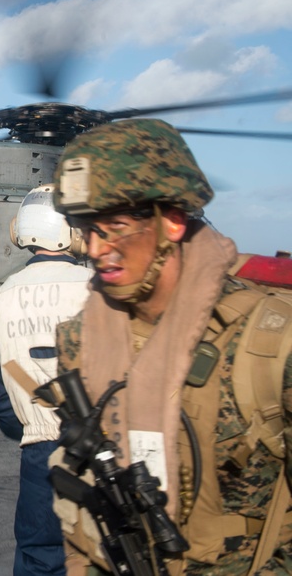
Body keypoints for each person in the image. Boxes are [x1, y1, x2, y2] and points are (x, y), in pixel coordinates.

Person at [49, 118, 292, 574]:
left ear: (173, 223)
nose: (97, 249)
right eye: (87, 230)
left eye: (114, 227)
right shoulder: (78, 339)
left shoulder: (270, 342)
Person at [0, 184, 93, 576]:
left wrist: (30, 429)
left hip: (39, 454)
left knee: (41, 556)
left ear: (20, 231)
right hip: (99, 446)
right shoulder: (98, 290)